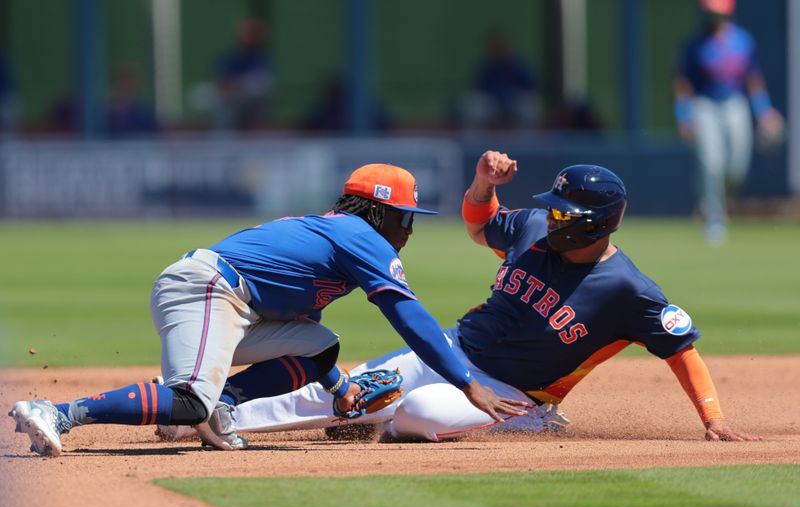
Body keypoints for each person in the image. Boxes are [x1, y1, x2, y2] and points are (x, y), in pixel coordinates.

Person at [160, 151, 760, 443]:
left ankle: (531, 425)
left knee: (416, 416)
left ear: (595, 224)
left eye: (563, 213)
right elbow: (481, 222)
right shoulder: (530, 229)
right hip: (448, 350)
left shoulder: (628, 290)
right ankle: (209, 417)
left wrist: (715, 419)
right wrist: (481, 185)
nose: (549, 218)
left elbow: (681, 346)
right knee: (348, 391)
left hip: (512, 394)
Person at [9, 163, 526, 457]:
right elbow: (410, 318)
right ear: (380, 212)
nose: (409, 230)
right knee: (189, 401)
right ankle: (59, 413)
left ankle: (222, 404)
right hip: (208, 292)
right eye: (405, 217)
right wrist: (466, 382)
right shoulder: (361, 237)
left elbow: (303, 331)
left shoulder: (337, 234)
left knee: (321, 346)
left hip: (227, 302)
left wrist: (341, 389)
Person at [673, 0, 784, 245]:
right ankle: (714, 216)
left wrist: (764, 111)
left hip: (735, 104)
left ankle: (713, 200)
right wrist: (683, 116)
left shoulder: (743, 41)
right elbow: (683, 84)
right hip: (704, 106)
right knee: (711, 164)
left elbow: (753, 80)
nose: (713, 18)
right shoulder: (694, 45)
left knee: (736, 167)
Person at [456, 32, 540, 130]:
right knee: (473, 106)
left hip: (515, 101)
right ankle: (475, 142)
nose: (499, 50)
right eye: (495, 47)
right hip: (492, 103)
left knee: (529, 106)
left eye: (501, 47)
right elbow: (477, 87)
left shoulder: (519, 64)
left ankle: (527, 141)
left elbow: (532, 85)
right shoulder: (486, 65)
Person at [213, 18, 274, 130]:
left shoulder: (263, 60)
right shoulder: (230, 58)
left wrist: (239, 85)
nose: (248, 37)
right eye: (246, 33)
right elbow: (222, 82)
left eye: (252, 34)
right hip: (231, 104)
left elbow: (261, 85)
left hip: (253, 105)